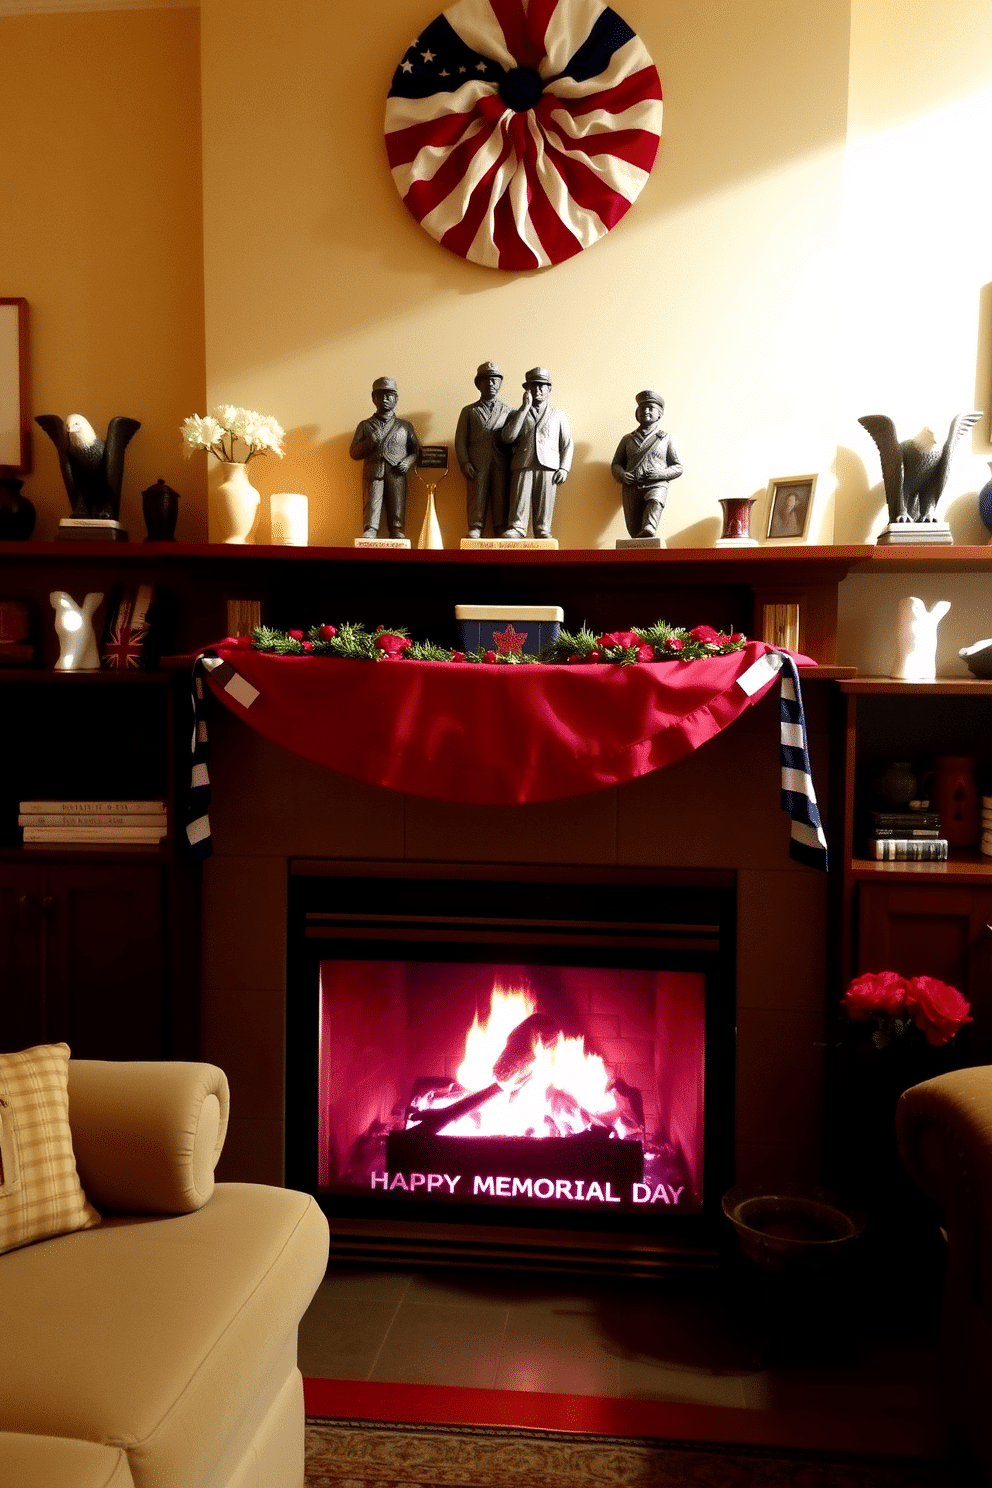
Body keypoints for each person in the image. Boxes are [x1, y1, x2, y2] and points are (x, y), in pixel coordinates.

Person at [500, 367, 573, 540]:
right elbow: (507, 437)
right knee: (519, 498)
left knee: (545, 500)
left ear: (549, 389)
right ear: (527, 390)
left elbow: (567, 443)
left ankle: (542, 529)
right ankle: (517, 527)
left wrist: (564, 468)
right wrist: (524, 409)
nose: (538, 390)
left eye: (542, 386)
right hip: (522, 463)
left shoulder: (558, 415)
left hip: (548, 466)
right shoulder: (517, 413)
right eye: (533, 386)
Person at [349, 376, 420, 539]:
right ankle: (371, 528)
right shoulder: (365, 425)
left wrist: (408, 462)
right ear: (374, 398)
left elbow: (416, 450)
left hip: (397, 472)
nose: (385, 399)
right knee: (372, 500)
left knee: (397, 502)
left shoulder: (405, 426)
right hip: (374, 471)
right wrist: (370, 442)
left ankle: (396, 529)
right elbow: (353, 452)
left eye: (389, 395)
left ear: (396, 399)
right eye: (380, 395)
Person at [610, 391, 683, 539]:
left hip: (656, 484)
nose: (646, 411)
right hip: (632, 487)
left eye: (650, 408)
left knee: (655, 502)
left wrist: (660, 474)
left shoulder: (666, 439)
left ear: (659, 414)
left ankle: (650, 526)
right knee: (634, 530)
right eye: (642, 408)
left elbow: (678, 467)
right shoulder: (627, 439)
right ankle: (640, 536)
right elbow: (616, 464)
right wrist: (622, 475)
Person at [454, 361, 513, 538]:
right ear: (478, 384)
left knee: (500, 495)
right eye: (486, 380)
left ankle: (500, 526)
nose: (491, 384)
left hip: (501, 462)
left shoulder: (508, 411)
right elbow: (460, 440)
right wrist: (464, 462)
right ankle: (475, 526)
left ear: (500, 383)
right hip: (477, 462)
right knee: (476, 495)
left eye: (495, 380)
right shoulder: (469, 411)